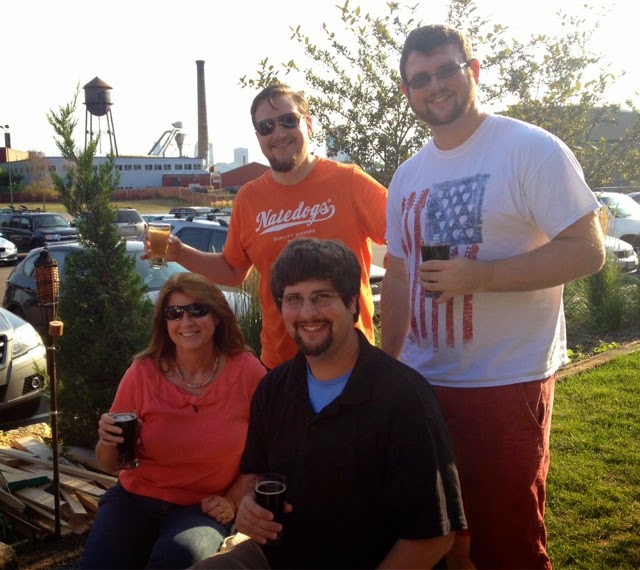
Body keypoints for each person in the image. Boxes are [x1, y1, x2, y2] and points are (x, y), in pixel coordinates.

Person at [381, 24, 606, 570]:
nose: (434, 86)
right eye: (419, 79)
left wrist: (479, 277)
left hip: (504, 382)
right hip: (423, 384)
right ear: (407, 92)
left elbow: (587, 251)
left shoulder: (529, 149)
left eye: (446, 71)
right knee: (436, 536)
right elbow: (398, 274)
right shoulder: (407, 175)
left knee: (507, 540)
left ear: (473, 71)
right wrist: (387, 368)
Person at [192, 237, 467, 569]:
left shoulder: (404, 398)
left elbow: (434, 536)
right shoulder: (273, 389)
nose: (307, 313)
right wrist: (249, 503)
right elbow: (257, 476)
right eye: (294, 299)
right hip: (280, 556)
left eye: (322, 296)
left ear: (352, 303)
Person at [148, 84, 387, 370]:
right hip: (280, 364)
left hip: (351, 360)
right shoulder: (249, 198)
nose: (278, 133)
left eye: (288, 120)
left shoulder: (350, 182)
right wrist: (179, 253)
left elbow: (406, 242)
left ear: (309, 124)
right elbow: (233, 270)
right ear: (258, 136)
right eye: (266, 127)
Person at [81, 273, 267, 569]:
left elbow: (266, 451)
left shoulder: (247, 372)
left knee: (177, 559)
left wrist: (232, 500)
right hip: (135, 499)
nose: (186, 321)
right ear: (164, 322)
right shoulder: (142, 372)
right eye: (175, 313)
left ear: (217, 316)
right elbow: (109, 463)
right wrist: (107, 442)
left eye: (197, 310)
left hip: (201, 507)